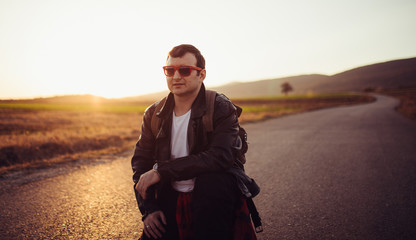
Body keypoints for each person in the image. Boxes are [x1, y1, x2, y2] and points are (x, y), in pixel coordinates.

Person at [132, 44, 258, 240]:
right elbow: (140, 165)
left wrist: (161, 170)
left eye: (185, 70)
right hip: (169, 195)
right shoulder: (153, 114)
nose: (176, 77)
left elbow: (220, 157)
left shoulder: (220, 107)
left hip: (213, 199)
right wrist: (148, 210)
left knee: (212, 185)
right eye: (169, 70)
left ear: (202, 75)